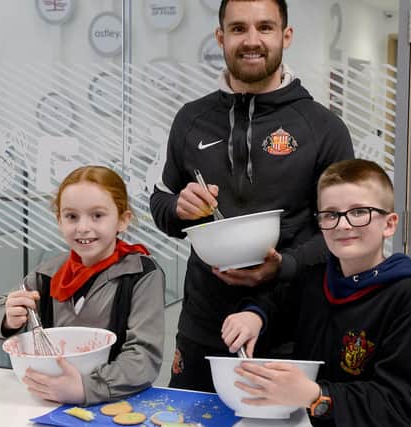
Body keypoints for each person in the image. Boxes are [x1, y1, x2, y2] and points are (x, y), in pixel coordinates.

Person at [150, 0, 354, 392]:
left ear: (286, 36)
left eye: (265, 27)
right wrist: (179, 208)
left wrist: (286, 265)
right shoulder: (190, 120)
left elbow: (341, 230)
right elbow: (160, 204)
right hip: (202, 327)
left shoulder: (323, 128)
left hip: (290, 332)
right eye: (239, 29)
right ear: (221, 37)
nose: (252, 40)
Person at [221, 159, 411, 427]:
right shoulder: (316, 276)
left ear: (389, 224)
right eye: (330, 214)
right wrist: (254, 315)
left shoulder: (409, 293)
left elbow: (398, 404)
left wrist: (315, 395)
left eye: (359, 212)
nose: (343, 225)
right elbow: (276, 302)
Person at [0, 165, 165, 405]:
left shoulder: (141, 274)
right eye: (71, 216)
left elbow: (144, 358)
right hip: (50, 401)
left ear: (123, 220)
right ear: (59, 221)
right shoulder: (47, 274)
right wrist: (6, 317)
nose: (83, 227)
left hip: (115, 402)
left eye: (97, 215)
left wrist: (87, 388)